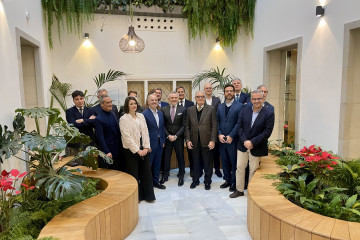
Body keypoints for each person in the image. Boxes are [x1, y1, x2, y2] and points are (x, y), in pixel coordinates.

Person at [230, 89, 275, 198]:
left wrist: (252, 142)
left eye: (259, 98)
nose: (256, 101)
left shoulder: (269, 113)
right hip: (242, 145)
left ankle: (251, 193)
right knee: (240, 168)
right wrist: (245, 140)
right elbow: (239, 127)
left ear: (263, 98)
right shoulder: (244, 110)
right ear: (251, 99)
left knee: (253, 170)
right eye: (254, 99)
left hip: (257, 146)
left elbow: (267, 132)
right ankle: (239, 190)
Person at [120, 96, 155, 202]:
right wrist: (137, 150)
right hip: (131, 150)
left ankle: (148, 196)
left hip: (143, 148)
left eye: (135, 103)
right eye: (131, 104)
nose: (134, 105)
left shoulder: (141, 116)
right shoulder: (123, 118)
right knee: (134, 174)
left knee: (146, 173)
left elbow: (145, 131)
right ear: (127, 105)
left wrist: (146, 147)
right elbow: (126, 137)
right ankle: (137, 197)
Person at [185, 91, 217, 190]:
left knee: (207, 163)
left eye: (202, 97)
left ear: (204, 98)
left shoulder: (211, 109)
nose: (200, 98)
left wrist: (213, 140)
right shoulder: (190, 110)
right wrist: (187, 140)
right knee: (195, 162)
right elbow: (187, 126)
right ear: (195, 98)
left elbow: (214, 126)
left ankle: (207, 181)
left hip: (207, 141)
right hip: (194, 141)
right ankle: (195, 180)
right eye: (198, 97)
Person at [217, 84, 243, 192]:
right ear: (224, 93)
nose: (229, 93)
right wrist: (219, 134)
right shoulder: (219, 106)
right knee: (224, 161)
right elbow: (216, 121)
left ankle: (234, 182)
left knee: (234, 162)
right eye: (227, 91)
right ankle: (227, 180)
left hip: (233, 140)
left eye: (231, 91)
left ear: (234, 93)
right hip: (222, 139)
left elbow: (239, 123)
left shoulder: (240, 106)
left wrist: (231, 135)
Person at [160, 91, 186, 187]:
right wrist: (168, 135)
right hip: (167, 138)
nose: (174, 99)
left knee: (180, 157)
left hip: (178, 138)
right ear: (169, 99)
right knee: (166, 157)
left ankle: (181, 175)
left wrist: (176, 136)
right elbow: (162, 125)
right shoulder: (163, 109)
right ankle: (165, 175)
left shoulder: (183, 109)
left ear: (178, 99)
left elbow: (184, 125)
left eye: (176, 98)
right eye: (172, 98)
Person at [142, 93, 166, 189]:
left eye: (156, 100)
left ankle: (156, 181)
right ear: (148, 102)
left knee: (157, 164)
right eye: (152, 100)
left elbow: (162, 128)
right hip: (149, 145)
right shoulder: (144, 114)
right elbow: (144, 132)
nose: (154, 102)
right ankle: (147, 184)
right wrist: (146, 145)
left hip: (160, 143)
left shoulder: (160, 113)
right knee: (149, 165)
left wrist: (163, 140)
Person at [94, 95, 121, 169]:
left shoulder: (112, 113)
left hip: (117, 149)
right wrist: (107, 151)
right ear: (102, 104)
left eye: (111, 102)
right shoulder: (99, 119)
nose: (110, 104)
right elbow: (100, 137)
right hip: (108, 152)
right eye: (108, 102)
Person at [204, 82, 222, 178]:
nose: (209, 89)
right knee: (206, 150)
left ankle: (217, 169)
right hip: (204, 129)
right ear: (204, 89)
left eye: (210, 88)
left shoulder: (217, 100)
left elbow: (219, 113)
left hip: (215, 127)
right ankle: (206, 169)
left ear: (212, 89)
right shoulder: (201, 99)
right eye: (207, 88)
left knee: (215, 151)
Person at [176, 86, 195, 176]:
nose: (180, 93)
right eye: (178, 92)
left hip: (189, 130)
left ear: (184, 93)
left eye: (182, 92)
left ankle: (192, 169)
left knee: (191, 151)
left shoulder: (190, 103)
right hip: (178, 132)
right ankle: (181, 170)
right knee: (179, 152)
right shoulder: (174, 103)